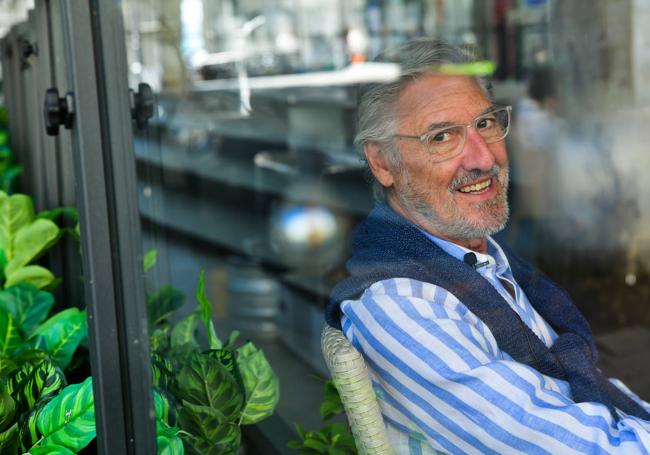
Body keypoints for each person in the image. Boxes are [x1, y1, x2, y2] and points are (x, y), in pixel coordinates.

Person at [325, 38, 650, 454]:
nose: (482, 158)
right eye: (442, 137)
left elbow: (581, 393)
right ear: (383, 163)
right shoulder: (400, 304)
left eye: (485, 124)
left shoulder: (478, 261)